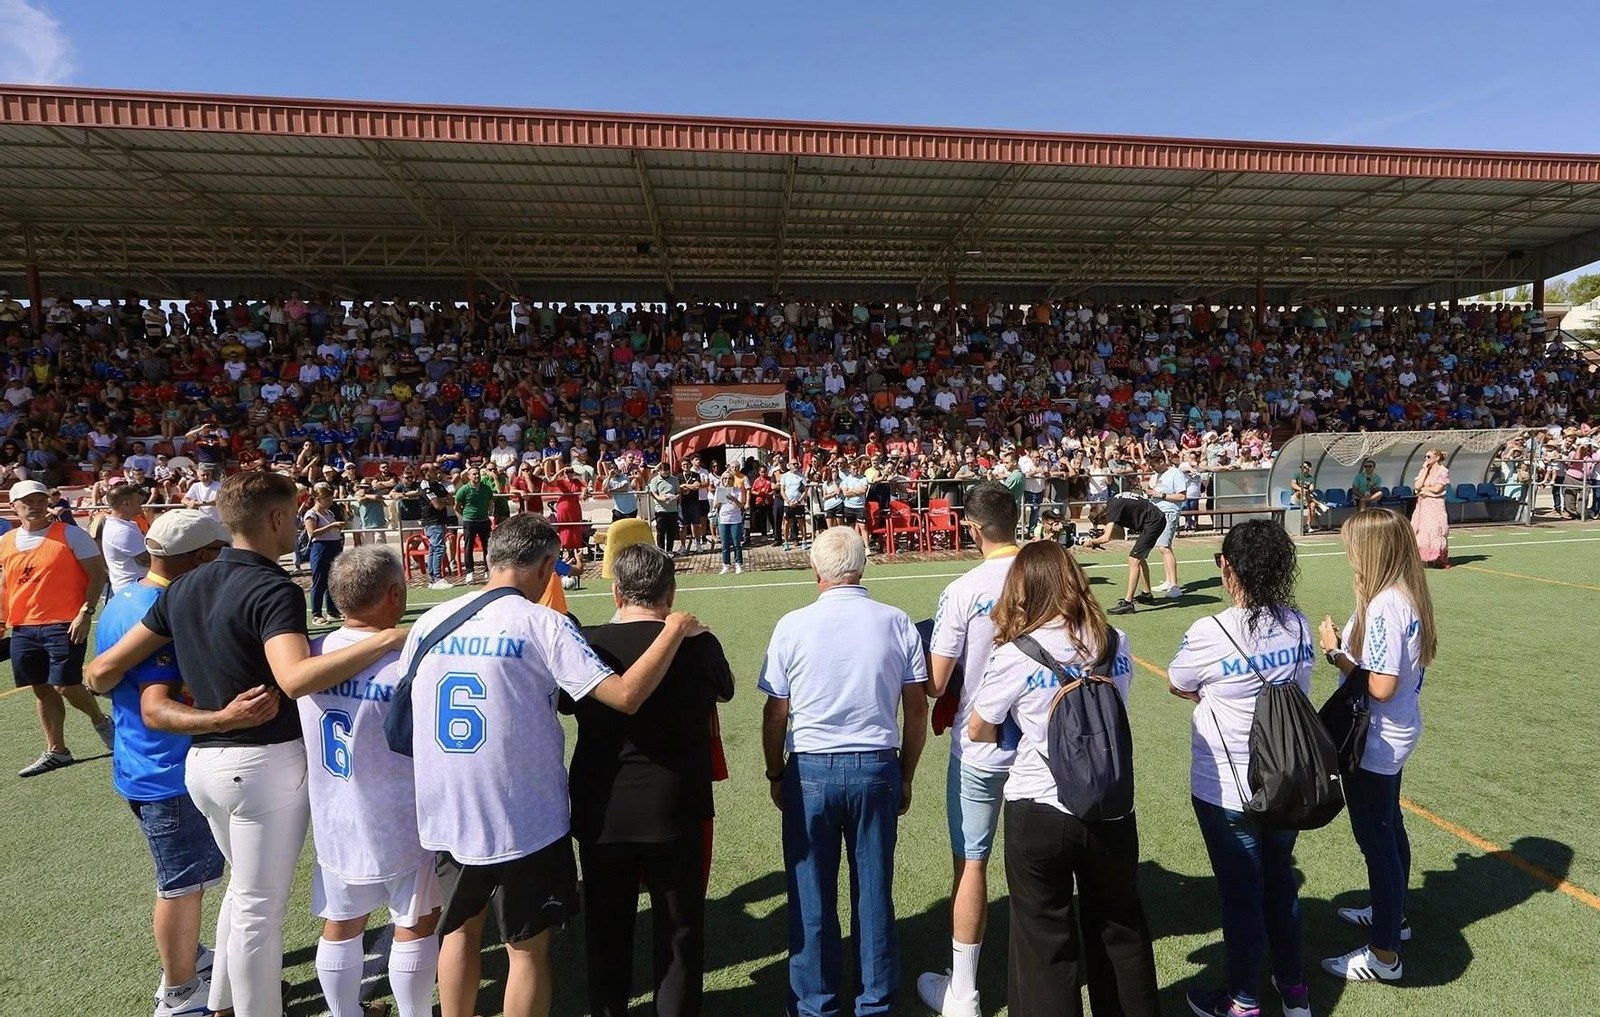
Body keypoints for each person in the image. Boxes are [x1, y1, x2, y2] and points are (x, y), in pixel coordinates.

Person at [85, 471, 408, 1017]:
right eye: (294, 514)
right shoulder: (273, 587)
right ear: (276, 518)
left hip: (204, 765)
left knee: (243, 894)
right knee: (259, 907)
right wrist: (387, 639)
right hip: (260, 762)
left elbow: (101, 671)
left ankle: (224, 1003)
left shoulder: (184, 586)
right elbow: (295, 679)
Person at [398, 514, 705, 1017]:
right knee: (526, 949)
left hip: (448, 807)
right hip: (522, 815)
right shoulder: (543, 622)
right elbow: (624, 696)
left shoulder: (430, 620)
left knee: (459, 932)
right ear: (544, 566)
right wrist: (672, 629)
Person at [967, 540, 1158, 1017]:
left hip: (1039, 803)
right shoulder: (1114, 641)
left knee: (1042, 939)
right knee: (1120, 928)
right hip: (1110, 802)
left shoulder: (1017, 652)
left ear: (1022, 588)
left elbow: (979, 726)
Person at [759, 527, 928, 1017]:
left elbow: (776, 711)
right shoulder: (896, 621)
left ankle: (816, 1004)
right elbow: (916, 709)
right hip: (876, 765)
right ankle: (876, 1002)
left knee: (810, 895)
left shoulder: (792, 624)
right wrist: (906, 774)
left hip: (810, 768)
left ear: (816, 570)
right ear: (863, 565)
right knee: (874, 894)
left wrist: (775, 772)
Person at [86, 509, 239, 1017]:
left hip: (140, 760)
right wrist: (226, 717)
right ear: (200, 556)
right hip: (167, 768)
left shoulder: (124, 597)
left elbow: (100, 676)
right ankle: (178, 990)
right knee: (182, 887)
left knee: (183, 881)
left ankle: (189, 960)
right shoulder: (166, 608)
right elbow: (158, 700)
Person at [571, 543, 735, 1016]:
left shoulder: (588, 644)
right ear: (672, 592)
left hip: (603, 807)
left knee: (606, 930)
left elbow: (564, 700)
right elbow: (724, 689)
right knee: (679, 931)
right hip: (676, 805)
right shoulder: (699, 643)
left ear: (617, 592)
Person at [1167, 520, 1314, 1017]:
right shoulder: (1298, 623)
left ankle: (1243, 1000)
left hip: (1229, 788)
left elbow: (1179, 681)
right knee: (1280, 883)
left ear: (1227, 568)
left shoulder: (1210, 631)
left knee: (1241, 895)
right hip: (1288, 781)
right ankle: (1293, 988)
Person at [293, 546, 441, 1017]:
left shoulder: (311, 655)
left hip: (335, 811)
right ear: (394, 593)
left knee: (341, 921)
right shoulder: (405, 661)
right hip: (403, 813)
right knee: (415, 922)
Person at [1317, 508, 1437, 983]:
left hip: (1377, 738)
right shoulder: (1405, 594)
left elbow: (1381, 686)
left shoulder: (1386, 604)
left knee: (1377, 842)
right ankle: (1394, 916)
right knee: (1389, 829)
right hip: (1395, 731)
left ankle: (1384, 956)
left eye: (1353, 545)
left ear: (1372, 550)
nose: (1348, 554)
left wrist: (1334, 653)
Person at [917, 482, 1019, 1017]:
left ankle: (964, 992)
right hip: (1044, 745)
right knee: (1038, 866)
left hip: (980, 745)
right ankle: (1039, 981)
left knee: (972, 863)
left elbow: (936, 683)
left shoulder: (963, 589)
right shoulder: (1056, 573)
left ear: (972, 528)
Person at [5, 478, 114, 777]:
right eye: (28, 501)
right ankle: (57, 750)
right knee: (41, 688)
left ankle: (101, 721)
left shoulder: (70, 534)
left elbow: (97, 575)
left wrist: (85, 612)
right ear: (15, 506)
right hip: (24, 626)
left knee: (66, 685)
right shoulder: (6, 540)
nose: (36, 506)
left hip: (66, 623)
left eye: (41, 500)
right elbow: (6, 583)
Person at [1083, 491, 1170, 615]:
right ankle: (1146, 594)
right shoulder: (1112, 504)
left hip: (1154, 522)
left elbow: (1106, 538)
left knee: (1133, 559)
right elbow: (1120, 535)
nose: (1105, 524)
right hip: (1153, 520)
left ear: (1105, 515)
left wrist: (1092, 541)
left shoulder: (1112, 510)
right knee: (1139, 558)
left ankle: (1128, 603)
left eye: (1103, 523)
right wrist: (1101, 534)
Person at [1145, 450, 1188, 597]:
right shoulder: (1156, 475)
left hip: (1169, 513)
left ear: (1162, 461)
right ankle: (1169, 581)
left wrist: (1160, 495)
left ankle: (1174, 586)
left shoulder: (1176, 473)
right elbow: (1154, 491)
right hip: (1157, 513)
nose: (1153, 468)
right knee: (1163, 547)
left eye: (1154, 465)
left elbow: (1182, 496)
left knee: (1164, 547)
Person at [304, 482, 346, 624]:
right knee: (319, 581)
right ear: (318, 499)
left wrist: (341, 524)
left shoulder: (329, 513)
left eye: (331, 499)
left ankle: (332, 611)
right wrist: (332, 525)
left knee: (332, 581)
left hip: (334, 546)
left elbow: (333, 530)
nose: (330, 502)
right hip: (321, 548)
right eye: (327, 499)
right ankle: (316, 614)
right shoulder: (311, 514)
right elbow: (312, 533)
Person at [100, 480, 152, 594]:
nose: (141, 505)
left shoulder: (122, 526)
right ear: (126, 504)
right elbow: (148, 560)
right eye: (138, 501)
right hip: (133, 589)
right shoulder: (121, 531)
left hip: (134, 586)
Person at [455, 465, 498, 580]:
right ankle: (470, 572)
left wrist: (486, 512)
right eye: (473, 474)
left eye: (477, 473)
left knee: (487, 546)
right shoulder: (463, 490)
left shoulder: (486, 488)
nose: (476, 476)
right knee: (468, 547)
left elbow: (490, 503)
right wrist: (466, 515)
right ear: (469, 476)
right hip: (470, 522)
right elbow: (457, 506)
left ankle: (488, 570)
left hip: (484, 521)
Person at [1410, 448, 1451, 568]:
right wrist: (1425, 470)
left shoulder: (1443, 471)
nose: (1426, 459)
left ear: (1437, 458)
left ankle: (1439, 559)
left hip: (1436, 504)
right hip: (1423, 504)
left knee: (1435, 529)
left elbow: (1437, 489)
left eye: (1429, 457)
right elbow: (1417, 486)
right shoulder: (1424, 470)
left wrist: (1424, 490)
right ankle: (1423, 557)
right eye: (1425, 456)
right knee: (1421, 529)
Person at [417, 463, 454, 590]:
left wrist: (442, 500)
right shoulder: (425, 486)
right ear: (426, 473)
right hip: (432, 522)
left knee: (434, 549)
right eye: (433, 470)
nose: (437, 472)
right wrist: (443, 500)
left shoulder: (438, 485)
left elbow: (451, 500)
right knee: (439, 548)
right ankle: (437, 578)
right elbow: (438, 505)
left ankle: (433, 579)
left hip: (440, 521)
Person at [713, 464, 748, 574]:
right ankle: (726, 565)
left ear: (732, 480)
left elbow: (741, 505)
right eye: (725, 479)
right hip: (723, 519)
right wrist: (721, 497)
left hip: (735, 519)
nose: (727, 481)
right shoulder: (719, 490)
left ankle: (738, 564)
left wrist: (734, 499)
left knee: (737, 543)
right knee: (725, 544)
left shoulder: (737, 490)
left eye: (729, 479)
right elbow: (715, 506)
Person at [648, 461, 681, 554]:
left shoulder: (674, 479)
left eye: (667, 472)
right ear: (660, 471)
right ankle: (661, 551)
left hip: (672, 509)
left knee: (671, 532)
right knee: (661, 531)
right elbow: (653, 493)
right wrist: (661, 499)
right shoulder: (655, 480)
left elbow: (678, 492)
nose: (666, 474)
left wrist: (676, 497)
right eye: (664, 472)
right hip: (661, 509)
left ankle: (670, 550)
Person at [1290, 459, 1320, 530]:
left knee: (1313, 505)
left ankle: (1307, 525)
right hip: (1296, 498)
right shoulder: (1296, 475)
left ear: (1309, 468)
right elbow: (1293, 484)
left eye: (1304, 467)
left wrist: (1310, 489)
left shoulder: (1311, 479)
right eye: (1301, 467)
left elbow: (1312, 488)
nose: (1302, 469)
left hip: (1306, 498)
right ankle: (1318, 503)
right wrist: (1301, 489)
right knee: (1301, 492)